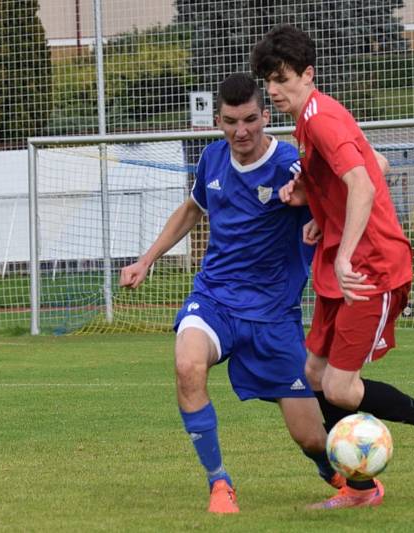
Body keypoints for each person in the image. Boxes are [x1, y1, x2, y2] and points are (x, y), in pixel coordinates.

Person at [251, 24, 414, 510]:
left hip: (370, 268)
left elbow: (365, 184)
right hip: (343, 264)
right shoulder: (309, 121)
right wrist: (317, 210)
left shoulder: (322, 120)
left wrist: (344, 248)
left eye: (281, 78)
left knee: (341, 389)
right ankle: (360, 490)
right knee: (312, 374)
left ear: (308, 75)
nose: (273, 89)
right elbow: (378, 163)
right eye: (269, 80)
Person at [119, 73, 342, 514]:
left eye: (250, 120)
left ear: (264, 115)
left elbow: (338, 199)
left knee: (311, 437)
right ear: (217, 121)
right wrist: (146, 259)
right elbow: (191, 210)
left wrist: (320, 219)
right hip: (216, 298)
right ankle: (219, 483)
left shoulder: (292, 164)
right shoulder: (212, 160)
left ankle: (330, 467)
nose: (241, 131)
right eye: (230, 121)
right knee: (187, 364)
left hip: (273, 315)